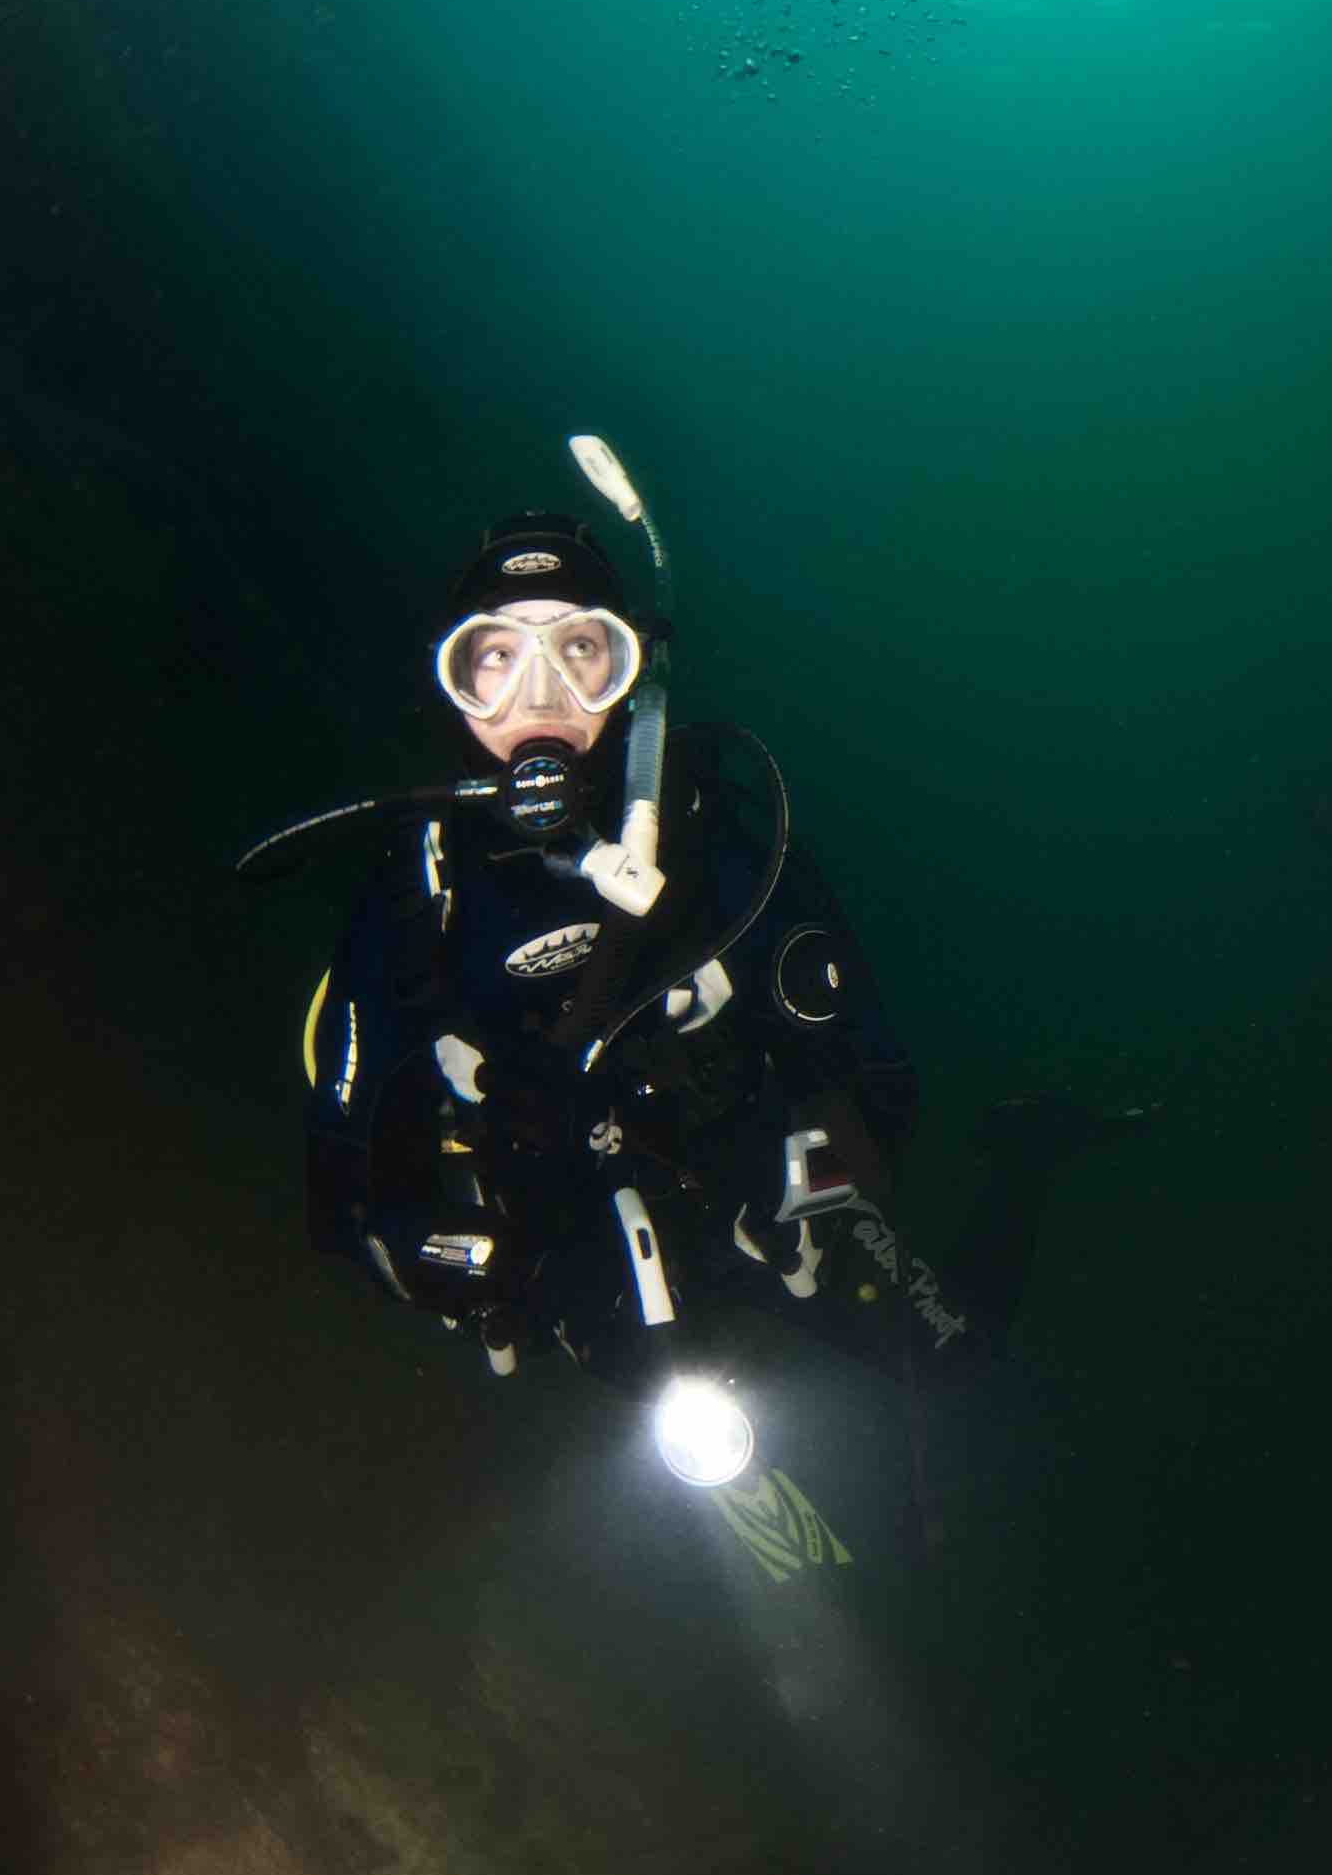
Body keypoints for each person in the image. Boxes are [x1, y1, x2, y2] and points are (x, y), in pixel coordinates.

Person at [298, 509, 1100, 1409]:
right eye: (496, 656)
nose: (541, 693)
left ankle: (1030, 1146)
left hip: (741, 1204)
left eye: (580, 649)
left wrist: (806, 1185)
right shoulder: (417, 884)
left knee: (959, 1353)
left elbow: (880, 1081)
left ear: (630, 672)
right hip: (561, 1244)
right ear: (453, 682)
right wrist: (435, 1256)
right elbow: (341, 1177)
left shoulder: (715, 840)